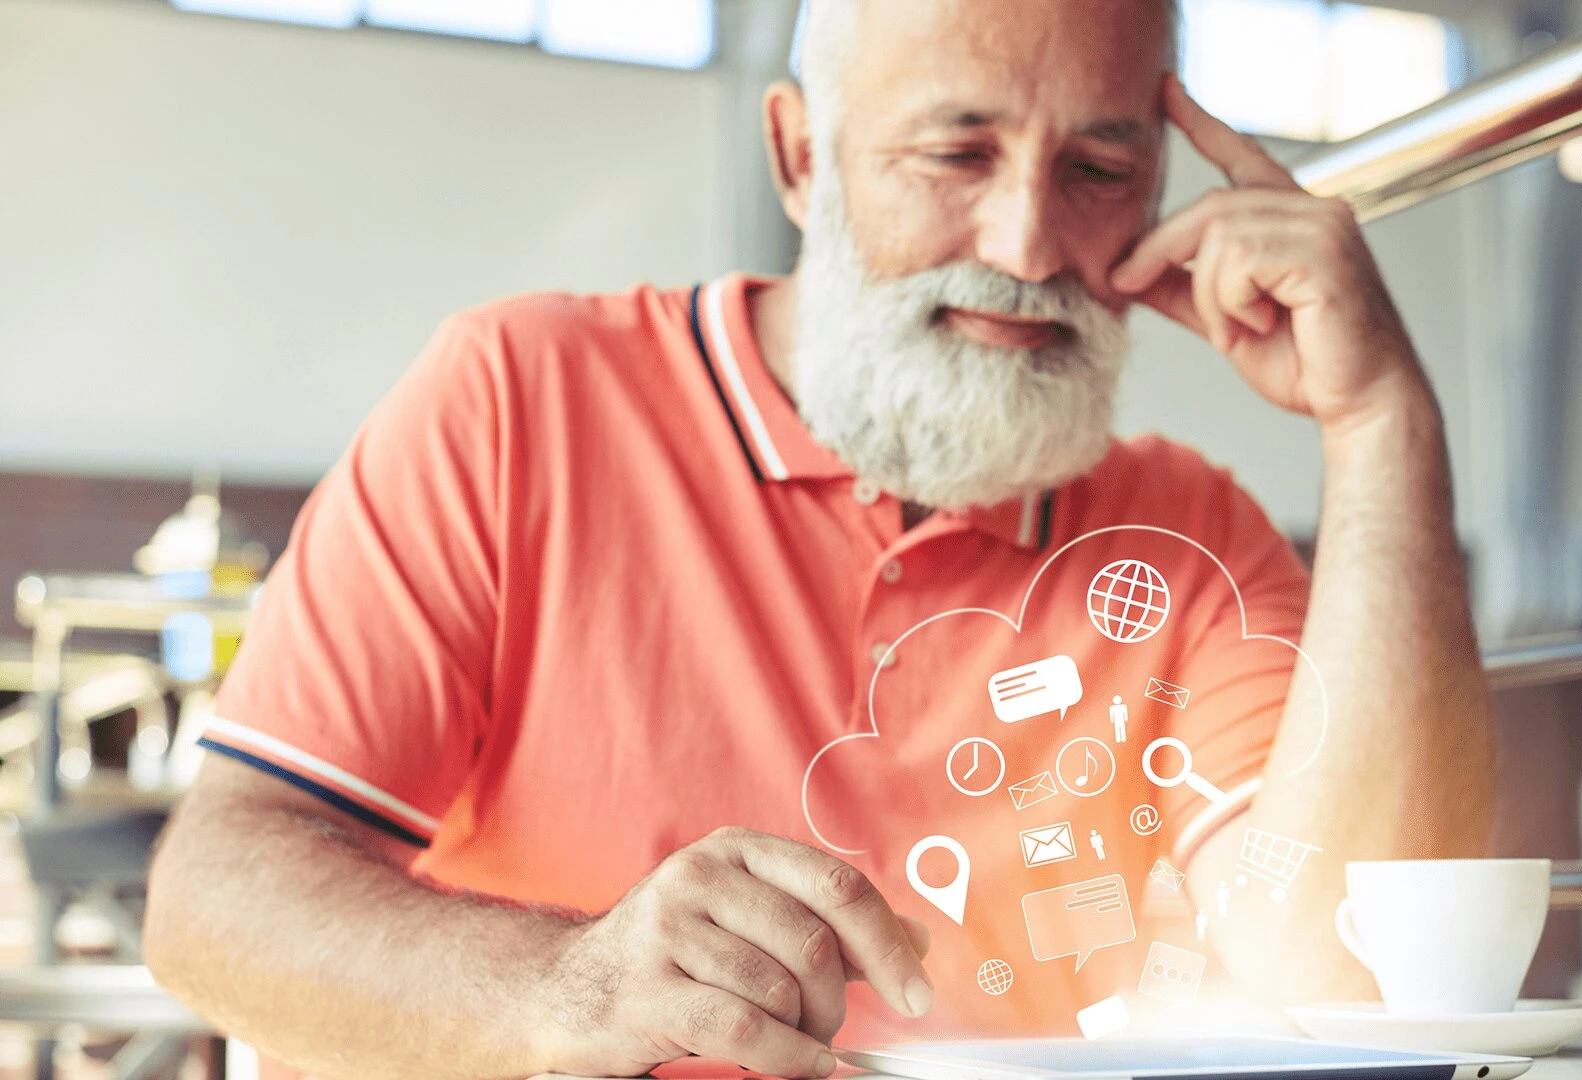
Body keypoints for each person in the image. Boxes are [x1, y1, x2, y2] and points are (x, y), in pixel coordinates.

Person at [144, 1, 1494, 1078]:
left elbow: (1349, 971)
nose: (1028, 244)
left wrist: (1381, 429)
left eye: (1098, 167)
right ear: (801, 158)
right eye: (955, 154)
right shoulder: (518, 397)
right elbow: (214, 904)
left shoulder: (1187, 536)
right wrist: (570, 987)